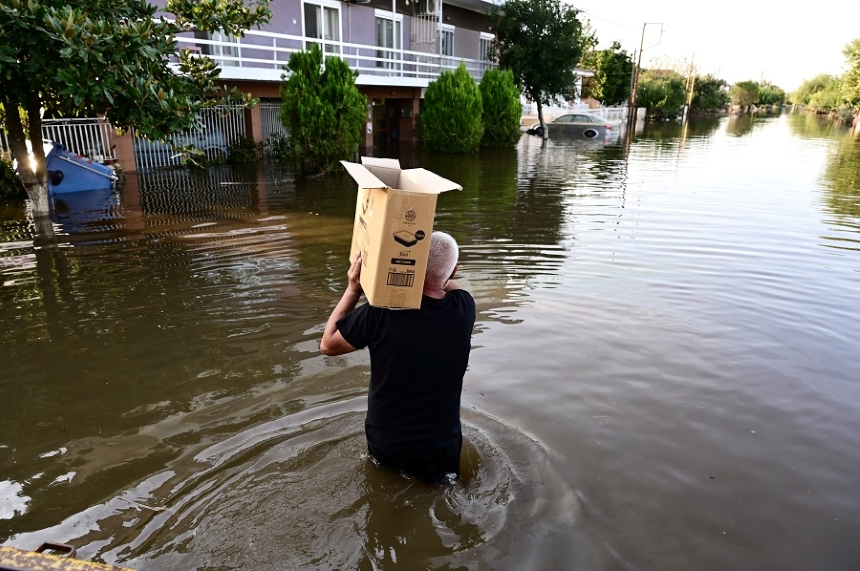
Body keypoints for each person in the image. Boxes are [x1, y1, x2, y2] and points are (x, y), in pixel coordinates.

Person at [320, 231, 476, 484]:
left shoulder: (379, 314)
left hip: (387, 440)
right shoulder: (464, 307)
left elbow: (328, 345)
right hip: (440, 444)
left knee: (384, 493)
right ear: (455, 271)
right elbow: (446, 281)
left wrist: (353, 288)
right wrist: (439, 270)